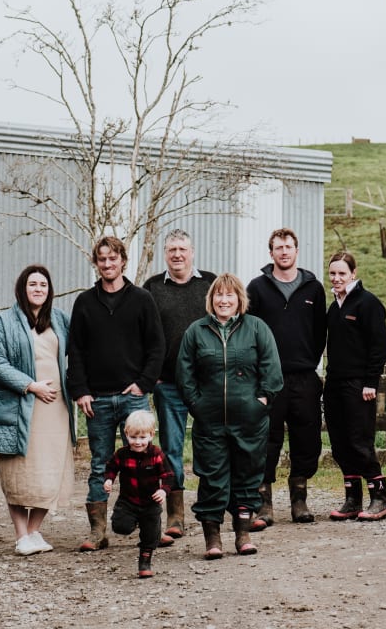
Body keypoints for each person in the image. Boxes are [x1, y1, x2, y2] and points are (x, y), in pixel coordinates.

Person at [67, 235, 166, 552]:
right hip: (96, 400)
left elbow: (156, 346)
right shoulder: (85, 302)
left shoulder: (141, 299)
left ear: (123, 260)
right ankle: (98, 531)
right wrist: (80, 390)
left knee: (145, 461)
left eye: (113, 258)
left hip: (132, 397)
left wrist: (143, 383)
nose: (107, 264)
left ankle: (150, 528)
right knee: (101, 464)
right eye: (102, 259)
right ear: (96, 263)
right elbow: (76, 351)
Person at [177, 273, 283, 559]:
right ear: (211, 299)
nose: (224, 300)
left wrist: (260, 402)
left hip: (249, 420)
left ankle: (243, 533)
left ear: (240, 299)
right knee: (212, 476)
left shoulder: (257, 328)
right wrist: (197, 405)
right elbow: (184, 374)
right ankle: (213, 538)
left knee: (247, 475)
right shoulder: (196, 331)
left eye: (230, 295)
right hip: (209, 420)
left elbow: (272, 370)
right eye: (218, 295)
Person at [0, 265, 75, 557]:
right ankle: (21, 534)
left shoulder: (60, 319)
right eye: (32, 284)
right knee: (18, 470)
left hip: (56, 406)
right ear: (22, 288)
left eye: (43, 285)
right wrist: (30, 385)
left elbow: (80, 351)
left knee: (50, 470)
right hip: (21, 404)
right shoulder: (5, 322)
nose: (38, 289)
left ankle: (35, 529)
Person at [246, 228, 326, 528]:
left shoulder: (313, 289)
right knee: (267, 439)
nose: (283, 252)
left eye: (288, 247)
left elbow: (320, 332)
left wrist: (308, 360)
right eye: (278, 248)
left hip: (303, 376)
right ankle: (263, 502)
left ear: (296, 251)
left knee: (306, 437)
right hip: (268, 377)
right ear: (271, 253)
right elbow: (249, 329)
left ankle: (299, 499)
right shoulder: (257, 288)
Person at [142, 228, 215, 540]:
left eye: (182, 249)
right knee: (171, 449)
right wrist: (151, 374)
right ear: (165, 253)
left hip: (206, 383)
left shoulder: (210, 284)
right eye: (172, 249)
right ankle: (176, 514)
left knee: (211, 444)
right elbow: (143, 334)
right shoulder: (152, 288)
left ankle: (213, 507)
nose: (177, 255)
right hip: (168, 384)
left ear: (192, 251)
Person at [322, 252, 386, 522]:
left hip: (359, 385)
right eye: (332, 274)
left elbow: (379, 346)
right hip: (335, 383)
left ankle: (380, 498)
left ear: (353, 273)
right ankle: (352, 499)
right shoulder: (334, 306)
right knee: (339, 443)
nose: (337, 278)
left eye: (342, 273)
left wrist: (370, 382)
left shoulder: (367, 303)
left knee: (359, 441)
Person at [103, 410, 174, 578]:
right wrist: (108, 480)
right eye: (133, 437)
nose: (138, 442)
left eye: (142, 438)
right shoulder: (122, 454)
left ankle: (144, 563)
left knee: (150, 537)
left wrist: (163, 490)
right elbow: (111, 468)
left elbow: (168, 476)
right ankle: (134, 521)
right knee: (121, 527)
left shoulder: (156, 454)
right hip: (128, 500)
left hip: (151, 502)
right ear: (126, 434)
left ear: (151, 435)